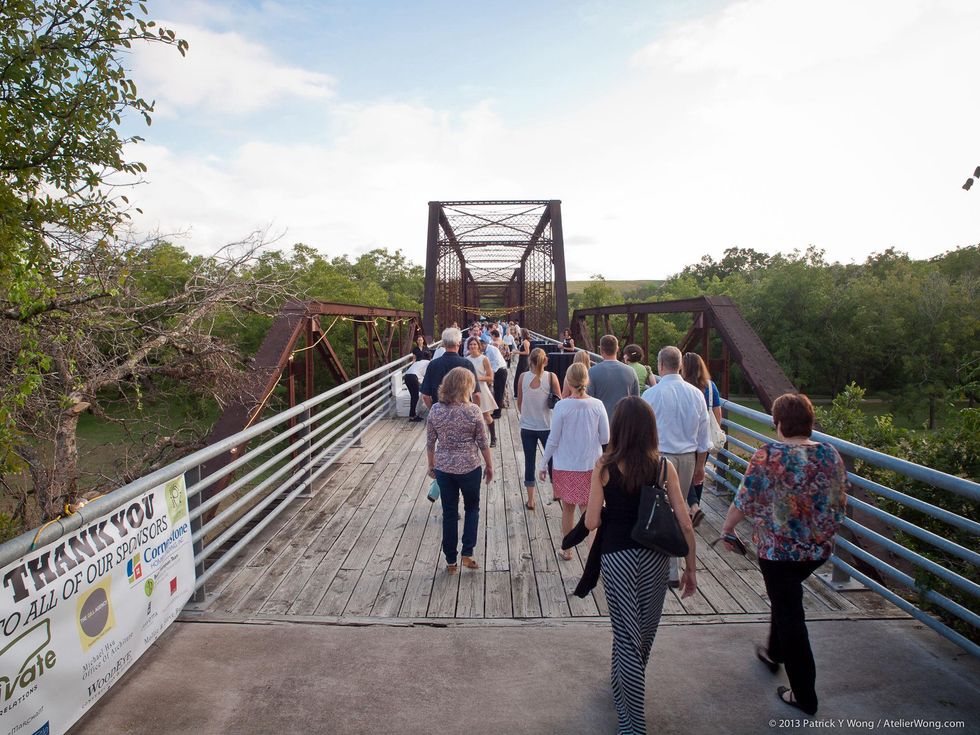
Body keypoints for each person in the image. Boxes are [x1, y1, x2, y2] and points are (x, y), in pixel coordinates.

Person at [720, 393, 846, 716]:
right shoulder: (830, 455)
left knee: (791, 616)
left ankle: (804, 695)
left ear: (779, 424)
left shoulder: (768, 456)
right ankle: (774, 652)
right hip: (818, 549)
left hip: (778, 554)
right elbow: (839, 502)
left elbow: (745, 500)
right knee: (786, 599)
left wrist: (727, 529)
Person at [585, 396, 697, 735]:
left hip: (617, 558)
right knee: (642, 635)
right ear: (650, 430)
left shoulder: (603, 466)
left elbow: (590, 522)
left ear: (618, 428)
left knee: (626, 636)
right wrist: (690, 568)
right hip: (654, 558)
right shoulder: (664, 466)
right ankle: (631, 714)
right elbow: (685, 523)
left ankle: (628, 708)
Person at [641, 345, 710, 587]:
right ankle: (676, 567)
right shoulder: (696, 394)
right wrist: (700, 466)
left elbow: (644, 434)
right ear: (680, 365)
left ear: (660, 365)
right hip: (688, 458)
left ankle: (662, 566)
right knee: (681, 513)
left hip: (660, 460)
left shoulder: (651, 395)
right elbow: (704, 437)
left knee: (661, 512)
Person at [426, 367, 494, 573]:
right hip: (469, 467)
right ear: (467, 386)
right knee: (472, 508)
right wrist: (489, 466)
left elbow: (430, 442)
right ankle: (468, 552)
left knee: (449, 513)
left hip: (444, 468)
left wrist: (431, 465)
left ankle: (450, 561)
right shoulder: (473, 410)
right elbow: (483, 442)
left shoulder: (436, 410)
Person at [538, 363, 608, 560]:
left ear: (568, 381)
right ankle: (593, 553)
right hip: (590, 466)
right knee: (589, 511)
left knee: (568, 508)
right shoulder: (597, 405)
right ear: (587, 381)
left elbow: (553, 439)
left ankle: (567, 549)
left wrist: (543, 464)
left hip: (566, 465)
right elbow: (605, 438)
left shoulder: (562, 406)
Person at [681, 351, 722, 525]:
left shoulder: (682, 386)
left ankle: (691, 507)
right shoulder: (710, 387)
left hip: (686, 436)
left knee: (684, 473)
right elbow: (717, 414)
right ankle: (695, 505)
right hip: (704, 438)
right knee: (699, 471)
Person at [517, 348, 561, 510]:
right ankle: (556, 491)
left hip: (527, 426)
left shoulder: (522, 377)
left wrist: (527, 414)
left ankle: (531, 500)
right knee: (552, 459)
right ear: (545, 361)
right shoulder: (551, 377)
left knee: (529, 462)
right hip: (547, 426)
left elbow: (519, 402)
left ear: (530, 361)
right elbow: (559, 401)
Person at [421, 327, 479, 409]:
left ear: (444, 344)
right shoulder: (467, 364)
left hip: (440, 414)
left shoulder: (433, 364)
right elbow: (476, 395)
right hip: (463, 414)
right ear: (459, 343)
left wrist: (434, 412)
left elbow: (425, 396)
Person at [587, 334, 640, 422]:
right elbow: (636, 401)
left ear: (601, 350)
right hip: (624, 423)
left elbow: (589, 401)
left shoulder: (592, 372)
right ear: (617, 349)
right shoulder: (631, 372)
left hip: (601, 423)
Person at [465, 336, 499, 447]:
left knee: (486, 415)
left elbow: (490, 377)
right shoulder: (466, 360)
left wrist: (477, 378)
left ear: (479, 346)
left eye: (475, 344)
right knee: (471, 416)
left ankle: (493, 437)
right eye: (471, 344)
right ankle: (473, 439)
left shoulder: (484, 359)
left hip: (482, 389)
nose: (473, 346)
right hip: (469, 390)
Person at [488, 329, 509, 418]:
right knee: (498, 391)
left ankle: (498, 412)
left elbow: (495, 363)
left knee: (499, 392)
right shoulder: (500, 343)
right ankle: (497, 410)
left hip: (500, 370)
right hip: (501, 368)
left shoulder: (492, 347)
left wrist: (491, 374)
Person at [404, 358, 428, 422]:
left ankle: (412, 415)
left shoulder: (418, 362)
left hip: (406, 376)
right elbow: (425, 375)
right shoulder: (428, 363)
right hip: (413, 377)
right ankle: (412, 416)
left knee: (413, 397)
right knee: (415, 397)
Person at [513, 328, 532, 398]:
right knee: (519, 376)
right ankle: (518, 393)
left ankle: (519, 393)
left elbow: (527, 352)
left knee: (520, 376)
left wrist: (517, 352)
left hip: (524, 361)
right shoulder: (523, 341)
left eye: (520, 332)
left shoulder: (526, 342)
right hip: (521, 360)